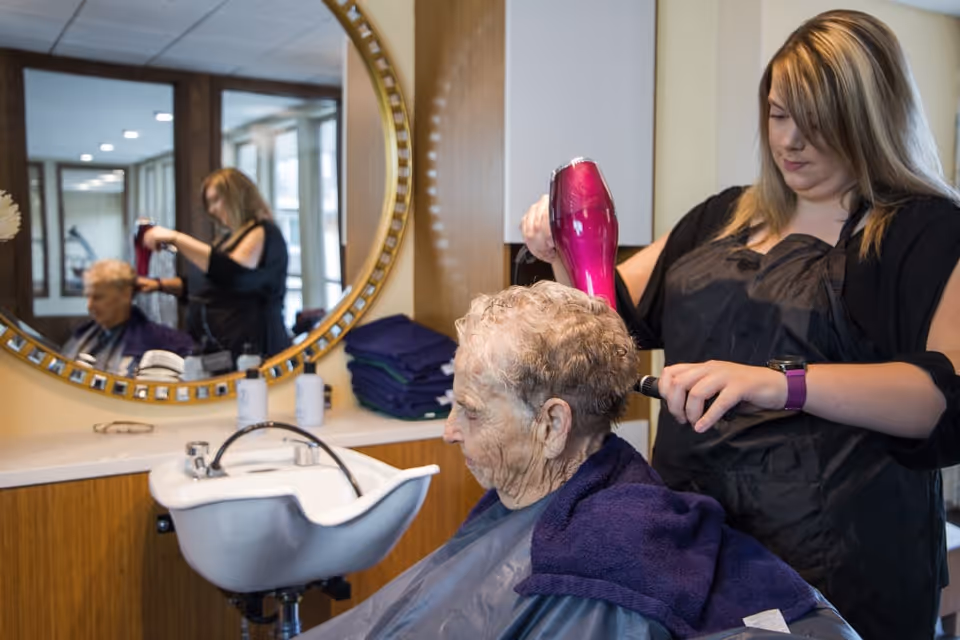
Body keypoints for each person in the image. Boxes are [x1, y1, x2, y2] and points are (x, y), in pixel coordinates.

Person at [521, 10, 960, 640]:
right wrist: (564, 254)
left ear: (871, 117)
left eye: (816, 122)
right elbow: (608, 327)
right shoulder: (722, 217)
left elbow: (941, 399)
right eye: (779, 115)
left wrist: (777, 382)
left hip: (841, 569)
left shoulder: (924, 230)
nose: (790, 142)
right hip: (695, 545)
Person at [300, 282, 860, 640]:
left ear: (552, 426)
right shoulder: (571, 496)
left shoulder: (606, 559)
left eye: (470, 412)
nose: (449, 432)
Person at [138, 168, 291, 362]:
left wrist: (175, 238)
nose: (212, 210)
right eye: (209, 203)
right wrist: (158, 285)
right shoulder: (226, 239)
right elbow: (204, 286)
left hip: (257, 353)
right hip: (221, 354)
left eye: (216, 200)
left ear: (237, 196)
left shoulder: (263, 232)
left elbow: (232, 273)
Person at [62, 259, 193, 376]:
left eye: (98, 297)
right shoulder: (80, 336)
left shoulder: (164, 342)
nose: (89, 306)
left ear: (126, 295)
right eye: (88, 296)